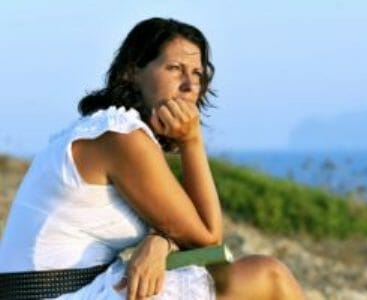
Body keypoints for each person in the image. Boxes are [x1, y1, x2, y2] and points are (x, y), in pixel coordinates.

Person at [0, 17, 305, 299]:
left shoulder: (108, 128)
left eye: (196, 73)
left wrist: (162, 241)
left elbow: (185, 225)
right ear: (133, 71)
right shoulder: (120, 137)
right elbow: (208, 238)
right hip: (54, 293)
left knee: (232, 277)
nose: (189, 85)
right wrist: (192, 140)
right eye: (174, 69)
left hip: (75, 284)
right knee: (268, 276)